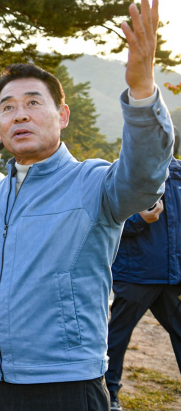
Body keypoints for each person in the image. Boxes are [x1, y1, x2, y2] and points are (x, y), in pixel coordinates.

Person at [0, 0, 172, 411]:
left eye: (32, 103)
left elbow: (144, 178)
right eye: (8, 108)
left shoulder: (92, 183)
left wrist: (143, 90)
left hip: (64, 386)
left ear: (62, 115)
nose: (19, 115)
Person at [105, 132, 181, 411]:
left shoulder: (180, 176)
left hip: (173, 277)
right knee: (117, 338)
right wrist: (140, 219)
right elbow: (110, 222)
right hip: (135, 274)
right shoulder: (125, 176)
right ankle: (109, 395)